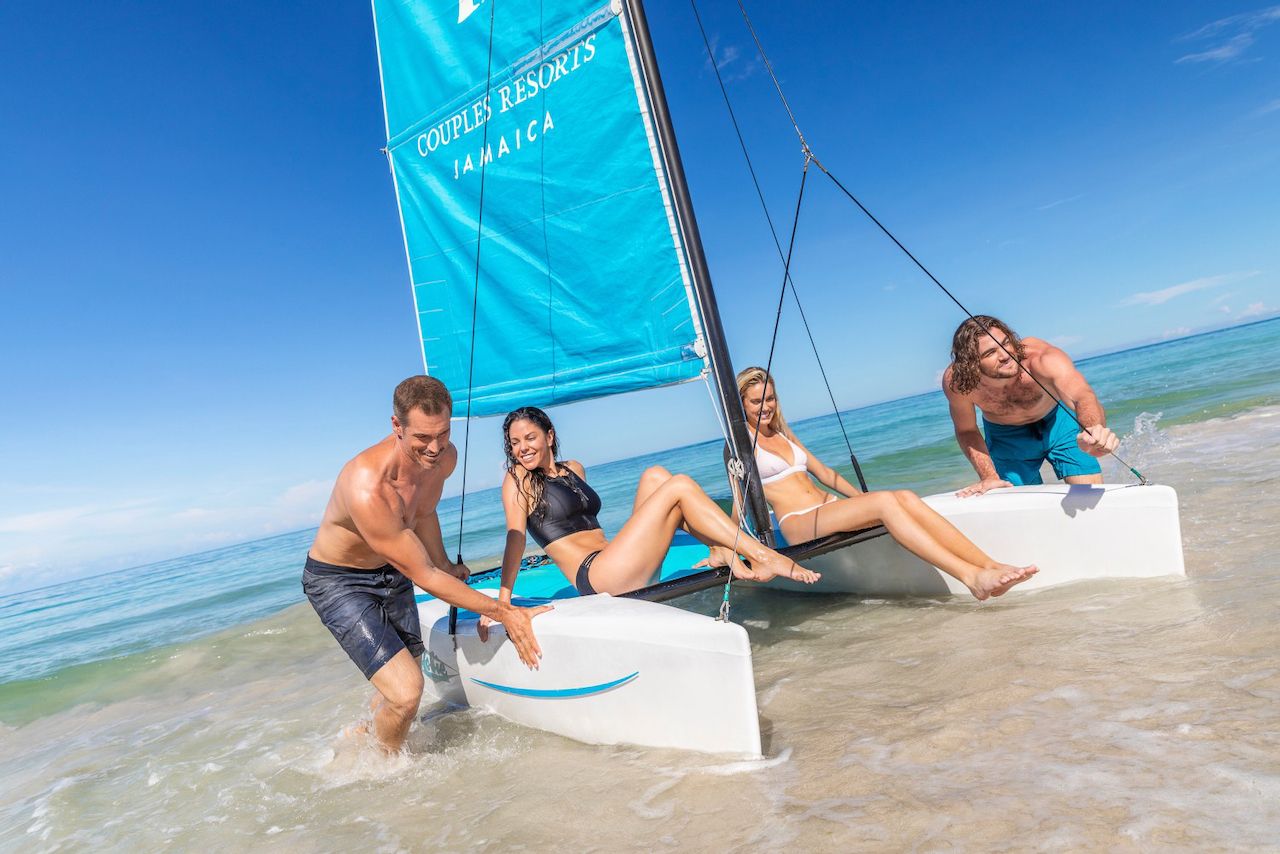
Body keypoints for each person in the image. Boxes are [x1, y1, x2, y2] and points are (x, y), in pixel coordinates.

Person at [303, 376, 551, 753]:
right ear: (396, 426)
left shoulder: (443, 458)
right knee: (406, 694)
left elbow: (424, 511)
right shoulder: (368, 485)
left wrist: (445, 563)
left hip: (393, 567)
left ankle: (368, 733)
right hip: (340, 581)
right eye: (422, 438)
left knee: (403, 678)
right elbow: (424, 576)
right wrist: (503, 611)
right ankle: (386, 772)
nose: (435, 448)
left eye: (443, 433)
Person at [484, 405, 818, 617]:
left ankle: (718, 549)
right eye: (515, 443)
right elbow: (515, 538)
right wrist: (503, 600)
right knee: (680, 486)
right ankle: (762, 554)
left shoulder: (574, 468)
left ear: (550, 436)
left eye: (530, 437)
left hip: (617, 559)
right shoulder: (517, 481)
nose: (523, 448)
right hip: (600, 577)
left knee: (655, 476)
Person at [735, 367, 1037, 600]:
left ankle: (988, 564)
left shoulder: (783, 433)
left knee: (901, 496)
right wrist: (731, 547)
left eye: (770, 398)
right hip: (798, 522)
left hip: (828, 508)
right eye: (755, 401)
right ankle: (971, 578)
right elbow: (739, 500)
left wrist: (861, 500)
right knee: (884, 503)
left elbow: (825, 474)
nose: (766, 406)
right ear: (741, 403)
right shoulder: (739, 444)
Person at [942, 315, 1119, 496]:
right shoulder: (958, 383)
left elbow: (1082, 396)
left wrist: (1093, 431)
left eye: (1006, 343)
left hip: (1058, 423)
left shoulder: (1041, 359)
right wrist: (989, 475)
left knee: (1087, 496)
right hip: (1006, 438)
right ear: (971, 364)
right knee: (1017, 501)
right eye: (990, 353)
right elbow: (966, 430)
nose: (1005, 355)